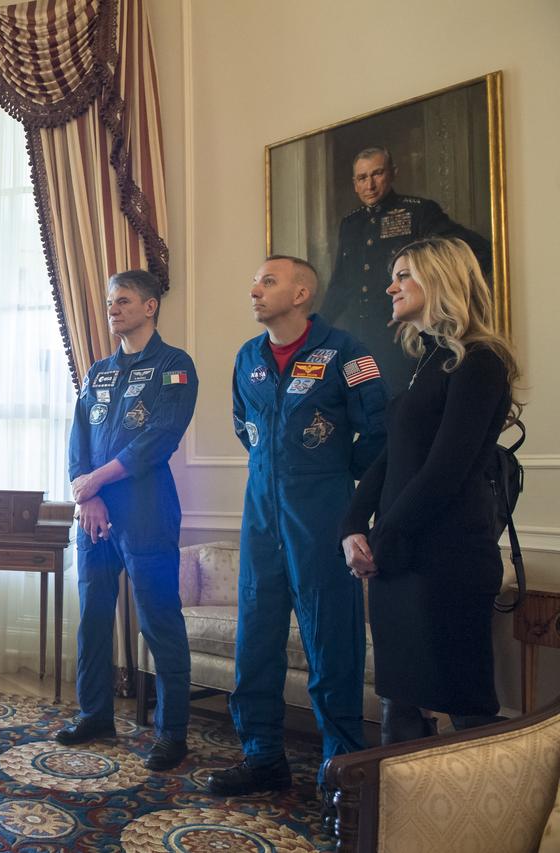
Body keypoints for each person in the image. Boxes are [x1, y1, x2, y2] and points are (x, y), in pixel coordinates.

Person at [207, 256, 387, 809]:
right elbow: (245, 426)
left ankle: (342, 771)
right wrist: (277, 469)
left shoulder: (347, 352)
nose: (254, 290)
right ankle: (262, 756)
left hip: (322, 515)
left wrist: (331, 477)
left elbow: (379, 434)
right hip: (262, 514)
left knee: (331, 642)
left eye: (268, 281)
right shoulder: (248, 357)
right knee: (256, 640)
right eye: (254, 281)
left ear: (302, 292)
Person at [340, 237, 520, 744]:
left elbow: (445, 471)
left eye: (404, 275)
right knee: (398, 699)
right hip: (402, 554)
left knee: (465, 707)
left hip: (448, 560)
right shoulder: (426, 361)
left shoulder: (480, 361)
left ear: (439, 279)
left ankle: (478, 800)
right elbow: (391, 456)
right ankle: (395, 795)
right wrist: (352, 525)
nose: (391, 286)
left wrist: (381, 536)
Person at [58, 269, 197, 773]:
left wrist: (96, 481)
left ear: (150, 306)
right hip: (95, 515)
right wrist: (88, 494)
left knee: (159, 621)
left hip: (146, 512)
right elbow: (78, 440)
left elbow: (159, 438)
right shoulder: (98, 371)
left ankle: (172, 733)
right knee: (93, 618)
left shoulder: (174, 366)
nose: (112, 309)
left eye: (123, 301)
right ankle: (95, 715)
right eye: (110, 302)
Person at [320, 146, 492, 395]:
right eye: (362, 178)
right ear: (355, 184)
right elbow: (340, 285)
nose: (370, 185)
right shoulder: (350, 223)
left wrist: (433, 303)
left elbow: (479, 252)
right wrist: (316, 331)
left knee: (403, 405)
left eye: (377, 174)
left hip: (402, 340)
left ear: (393, 173)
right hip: (360, 339)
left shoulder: (419, 212)